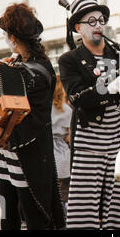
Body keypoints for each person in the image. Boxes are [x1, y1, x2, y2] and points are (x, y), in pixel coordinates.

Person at [58, 0, 120, 229]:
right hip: (88, 144)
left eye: (101, 20)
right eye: (90, 21)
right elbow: (75, 98)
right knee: (83, 214)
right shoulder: (69, 60)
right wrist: (106, 88)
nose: (98, 25)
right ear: (77, 28)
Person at [0, 3, 65, 230]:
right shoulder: (18, 63)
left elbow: (38, 120)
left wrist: (5, 134)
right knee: (7, 214)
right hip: (6, 159)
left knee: (36, 218)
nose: (5, 37)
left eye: (5, 33)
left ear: (12, 36)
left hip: (29, 159)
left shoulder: (37, 71)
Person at [51, 75, 71, 209]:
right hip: (63, 153)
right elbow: (69, 137)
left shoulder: (43, 108)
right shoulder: (68, 110)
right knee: (64, 191)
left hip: (47, 151)